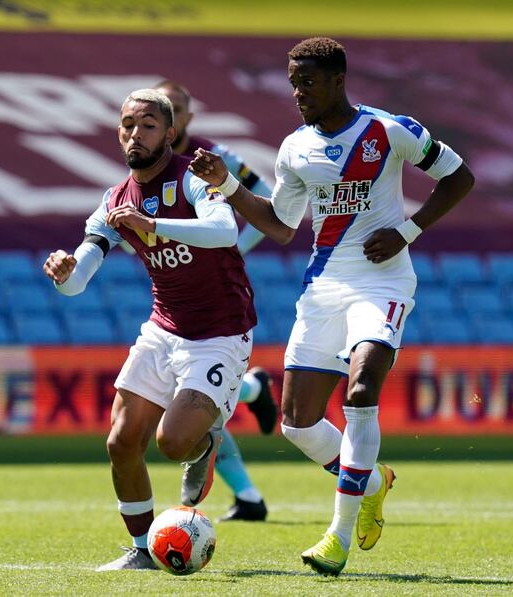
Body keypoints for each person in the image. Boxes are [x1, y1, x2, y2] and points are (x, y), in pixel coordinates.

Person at [189, 37, 475, 575]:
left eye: (310, 83)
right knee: (297, 423)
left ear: (339, 80)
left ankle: (337, 538)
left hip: (383, 282)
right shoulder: (295, 147)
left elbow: (459, 177)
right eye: (294, 84)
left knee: (362, 388)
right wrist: (226, 184)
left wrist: (407, 232)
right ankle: (372, 480)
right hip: (323, 287)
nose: (299, 93)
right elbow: (278, 225)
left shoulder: (390, 130)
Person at [43, 89, 258, 571]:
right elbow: (79, 281)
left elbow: (226, 232)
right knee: (120, 442)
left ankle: (207, 439)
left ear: (169, 133)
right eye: (127, 125)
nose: (135, 134)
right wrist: (64, 272)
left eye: (147, 125)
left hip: (221, 332)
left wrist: (152, 224)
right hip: (164, 328)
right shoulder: (115, 199)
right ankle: (141, 550)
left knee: (171, 443)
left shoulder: (195, 177)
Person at [155, 79, 277, 522]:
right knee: (191, 395)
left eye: (175, 106)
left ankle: (247, 492)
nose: (165, 112)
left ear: (186, 118)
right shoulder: (147, 160)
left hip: (215, 291)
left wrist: (235, 248)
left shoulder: (213, 156)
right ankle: (247, 492)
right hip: (174, 290)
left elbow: (271, 199)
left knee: (189, 396)